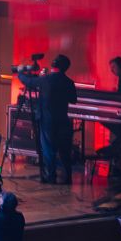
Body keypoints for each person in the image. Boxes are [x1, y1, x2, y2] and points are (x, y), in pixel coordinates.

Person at [36, 55, 76, 185]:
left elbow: (29, 82)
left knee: (48, 149)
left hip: (47, 121)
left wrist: (20, 72)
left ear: (54, 65)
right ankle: (67, 178)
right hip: (63, 120)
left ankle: (51, 177)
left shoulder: (46, 79)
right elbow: (73, 100)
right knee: (64, 151)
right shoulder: (69, 82)